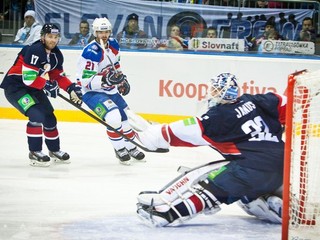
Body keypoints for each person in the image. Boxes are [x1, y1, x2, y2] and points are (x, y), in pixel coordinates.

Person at [136, 73, 285, 226]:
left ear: (223, 91)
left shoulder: (218, 116)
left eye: (215, 90)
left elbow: (180, 131)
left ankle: (168, 215)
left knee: (213, 186)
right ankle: (270, 202)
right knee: (247, 197)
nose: (211, 93)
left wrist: (152, 136)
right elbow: (283, 102)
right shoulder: (254, 100)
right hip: (285, 164)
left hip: (252, 168)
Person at [0, 23, 83, 167]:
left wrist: (71, 88)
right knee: (36, 116)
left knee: (50, 117)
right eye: (50, 36)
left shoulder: (56, 55)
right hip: (15, 88)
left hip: (32, 87)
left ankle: (54, 150)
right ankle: (34, 151)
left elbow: (57, 76)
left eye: (56, 37)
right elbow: (28, 78)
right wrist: (46, 85)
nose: (53, 40)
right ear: (42, 37)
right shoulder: (34, 49)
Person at [76, 17, 145, 165]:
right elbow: (85, 82)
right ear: (95, 32)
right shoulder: (91, 52)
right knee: (113, 118)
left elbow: (116, 64)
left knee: (126, 118)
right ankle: (119, 148)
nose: (104, 35)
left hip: (111, 90)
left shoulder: (113, 44)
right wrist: (106, 79)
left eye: (106, 31)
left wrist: (121, 80)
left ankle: (130, 146)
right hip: (92, 93)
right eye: (101, 32)